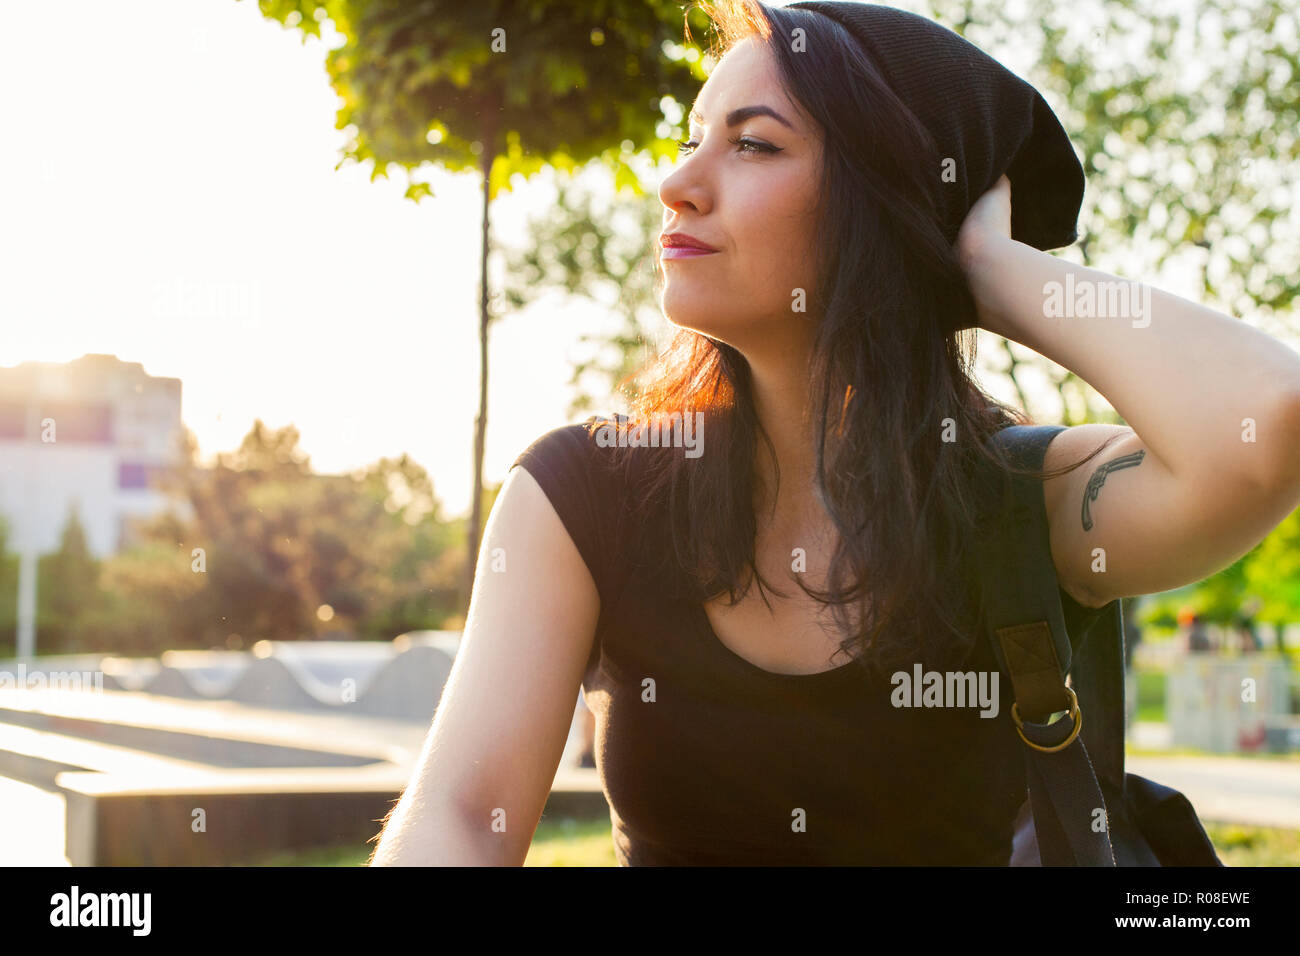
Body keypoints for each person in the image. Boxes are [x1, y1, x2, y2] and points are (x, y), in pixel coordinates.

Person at [369, 0, 1300, 866]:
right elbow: (460, 816)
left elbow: (1264, 426)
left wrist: (987, 268)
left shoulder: (1019, 503)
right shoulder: (585, 492)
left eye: (754, 147)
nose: (676, 183)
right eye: (692, 140)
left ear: (880, 204)